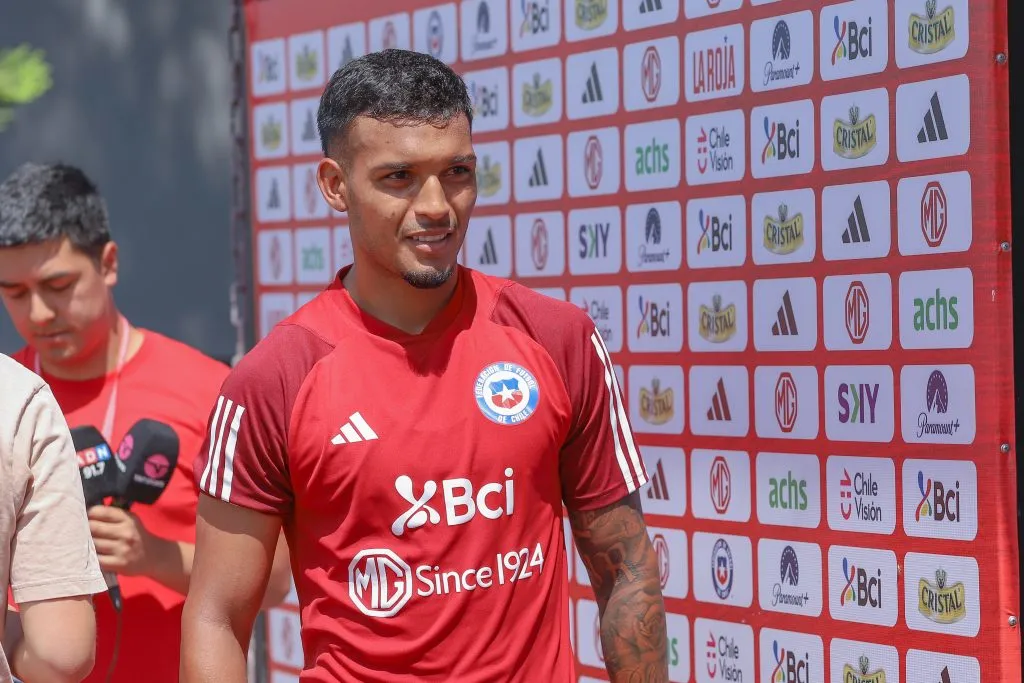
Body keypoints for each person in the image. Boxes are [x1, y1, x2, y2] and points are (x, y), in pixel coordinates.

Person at [182, 49, 669, 682]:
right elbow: (216, 615)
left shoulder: (558, 338)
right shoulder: (273, 380)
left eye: (457, 172)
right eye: (399, 177)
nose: (437, 204)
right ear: (335, 185)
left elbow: (627, 570)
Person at [0, 162, 292, 683]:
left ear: (108, 263)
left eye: (58, 284)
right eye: (15, 293)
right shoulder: (8, 399)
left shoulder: (208, 388)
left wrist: (153, 555)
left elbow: (273, 581)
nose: (39, 312)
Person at [0, 352, 108, 683]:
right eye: (16, 295)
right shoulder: (17, 393)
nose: (41, 312)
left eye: (60, 293)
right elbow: (60, 654)